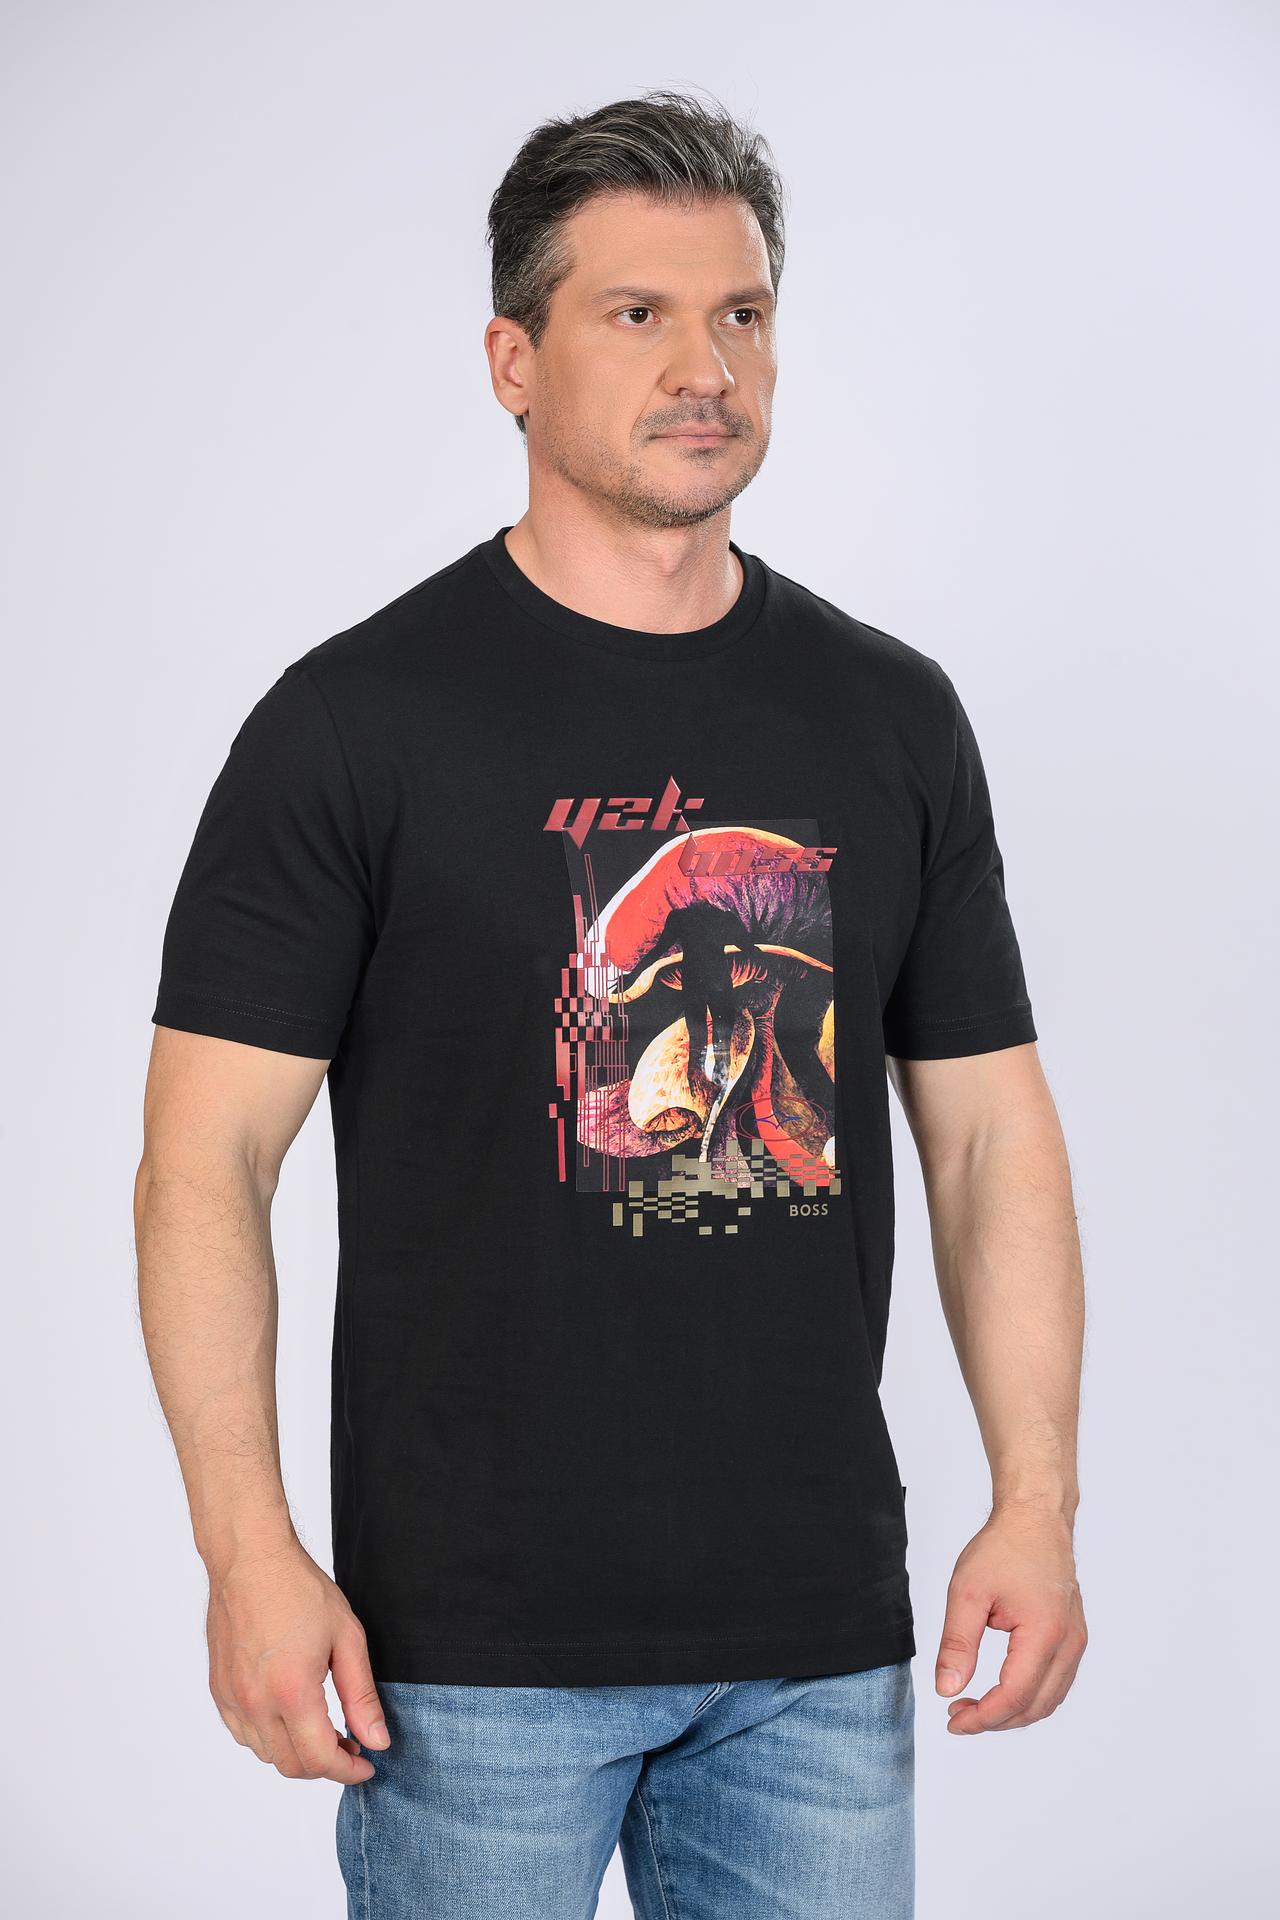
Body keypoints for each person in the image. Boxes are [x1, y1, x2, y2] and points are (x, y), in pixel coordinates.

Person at [134, 88, 1087, 1920]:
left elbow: (987, 1141)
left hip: (815, 1640)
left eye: (741, 313)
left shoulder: (891, 717)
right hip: (466, 1654)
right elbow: (203, 1167)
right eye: (635, 312)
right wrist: (247, 1553)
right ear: (514, 360)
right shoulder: (354, 725)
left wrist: (1035, 1501)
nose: (703, 366)